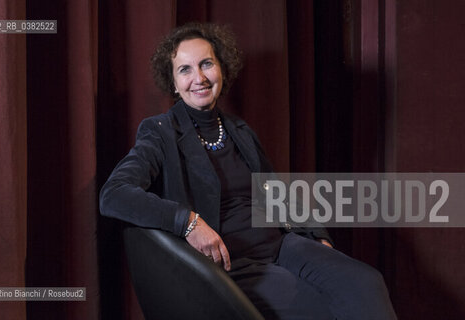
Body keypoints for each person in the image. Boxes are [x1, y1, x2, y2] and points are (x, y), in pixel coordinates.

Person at [100, 22, 397, 319]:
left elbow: (276, 193)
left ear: (222, 70)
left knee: (366, 283)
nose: (199, 78)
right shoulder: (160, 132)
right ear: (173, 83)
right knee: (317, 307)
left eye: (207, 64)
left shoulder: (239, 130)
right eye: (185, 70)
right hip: (233, 262)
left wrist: (317, 236)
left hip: (282, 245)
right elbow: (114, 195)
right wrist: (188, 222)